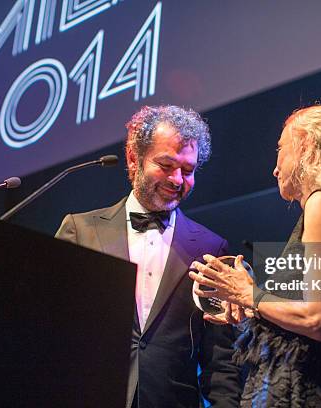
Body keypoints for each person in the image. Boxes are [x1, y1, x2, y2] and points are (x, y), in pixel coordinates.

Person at [190, 105, 321, 407]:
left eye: (280, 148)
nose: (275, 168)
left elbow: (318, 319)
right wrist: (252, 313)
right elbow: (315, 322)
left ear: (305, 145)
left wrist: (249, 293)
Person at [55, 105, 241, 408]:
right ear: (133, 158)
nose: (178, 180)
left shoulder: (212, 248)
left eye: (188, 170)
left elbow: (221, 363)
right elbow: (50, 332)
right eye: (166, 165)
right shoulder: (80, 230)